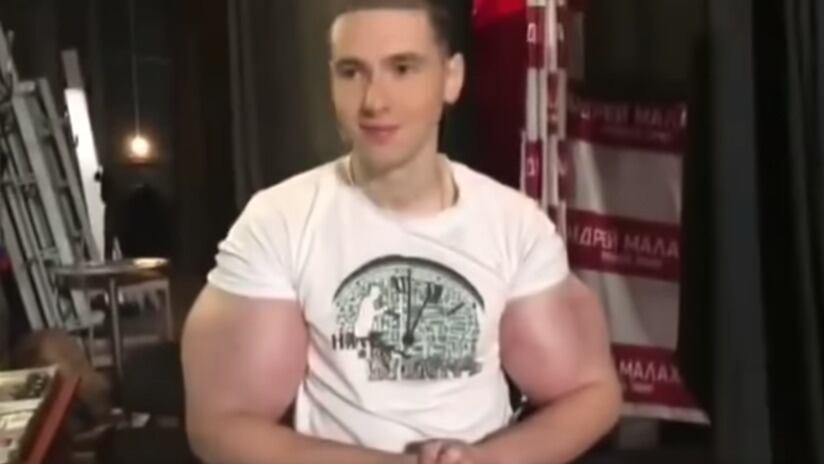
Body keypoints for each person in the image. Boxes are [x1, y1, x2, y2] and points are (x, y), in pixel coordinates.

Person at [181, 1, 622, 463]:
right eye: (352, 72)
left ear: (451, 78)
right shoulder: (279, 220)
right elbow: (220, 423)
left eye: (403, 68)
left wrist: (484, 461)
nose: (374, 101)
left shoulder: (514, 224)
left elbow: (590, 391)